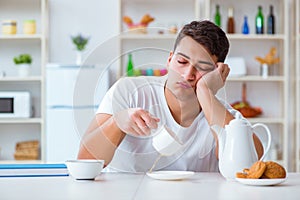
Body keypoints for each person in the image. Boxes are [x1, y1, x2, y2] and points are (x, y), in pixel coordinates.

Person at [77, 20, 263, 172]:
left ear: (218, 74)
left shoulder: (220, 112)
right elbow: (85, 161)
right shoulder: (129, 91)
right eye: (181, 61)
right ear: (170, 59)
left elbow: (247, 169)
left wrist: (206, 94)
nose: (187, 74)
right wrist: (117, 123)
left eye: (203, 68)